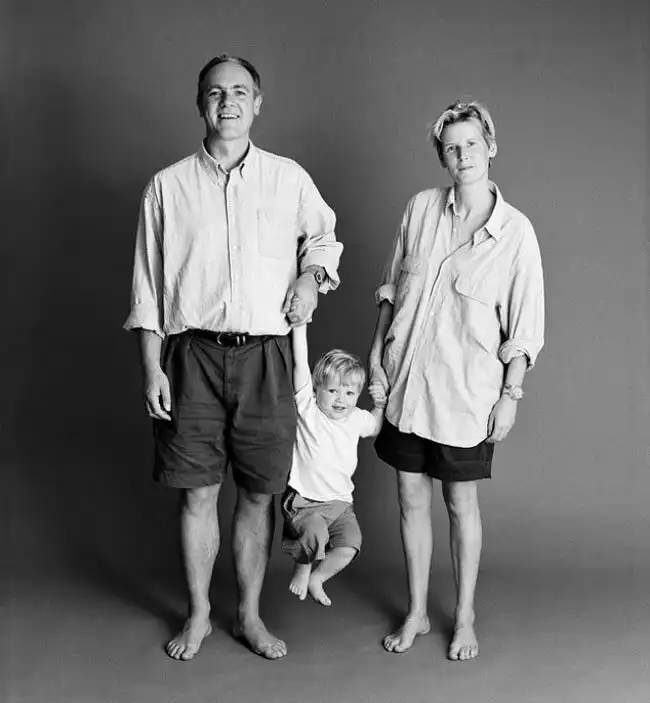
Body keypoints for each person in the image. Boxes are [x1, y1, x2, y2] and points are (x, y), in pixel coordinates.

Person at [124, 54, 343, 662]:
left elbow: (324, 238)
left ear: (258, 103)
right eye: (216, 92)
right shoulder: (166, 187)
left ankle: (248, 614)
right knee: (197, 494)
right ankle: (198, 613)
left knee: (257, 494)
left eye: (240, 92)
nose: (228, 102)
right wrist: (151, 367)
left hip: (267, 358)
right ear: (200, 103)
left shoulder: (288, 178)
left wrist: (311, 278)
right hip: (190, 356)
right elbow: (147, 288)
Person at [368, 100, 544, 662]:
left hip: (467, 395)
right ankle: (417, 611)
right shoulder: (420, 209)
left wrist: (511, 395)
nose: (462, 155)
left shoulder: (515, 233)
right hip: (404, 386)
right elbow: (391, 289)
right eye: (451, 147)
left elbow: (525, 327)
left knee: (460, 501)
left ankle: (464, 616)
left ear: (490, 147)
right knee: (408, 497)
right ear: (441, 157)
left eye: (471, 144)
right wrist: (375, 356)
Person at [280, 325, 385, 606]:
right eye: (333, 391)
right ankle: (302, 567)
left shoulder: (356, 418)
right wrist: (299, 327)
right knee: (315, 531)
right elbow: (300, 363)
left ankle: (318, 578)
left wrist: (380, 405)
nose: (340, 399)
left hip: (339, 503)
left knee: (351, 544)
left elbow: (375, 427)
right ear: (316, 390)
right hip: (305, 501)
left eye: (349, 393)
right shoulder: (309, 410)